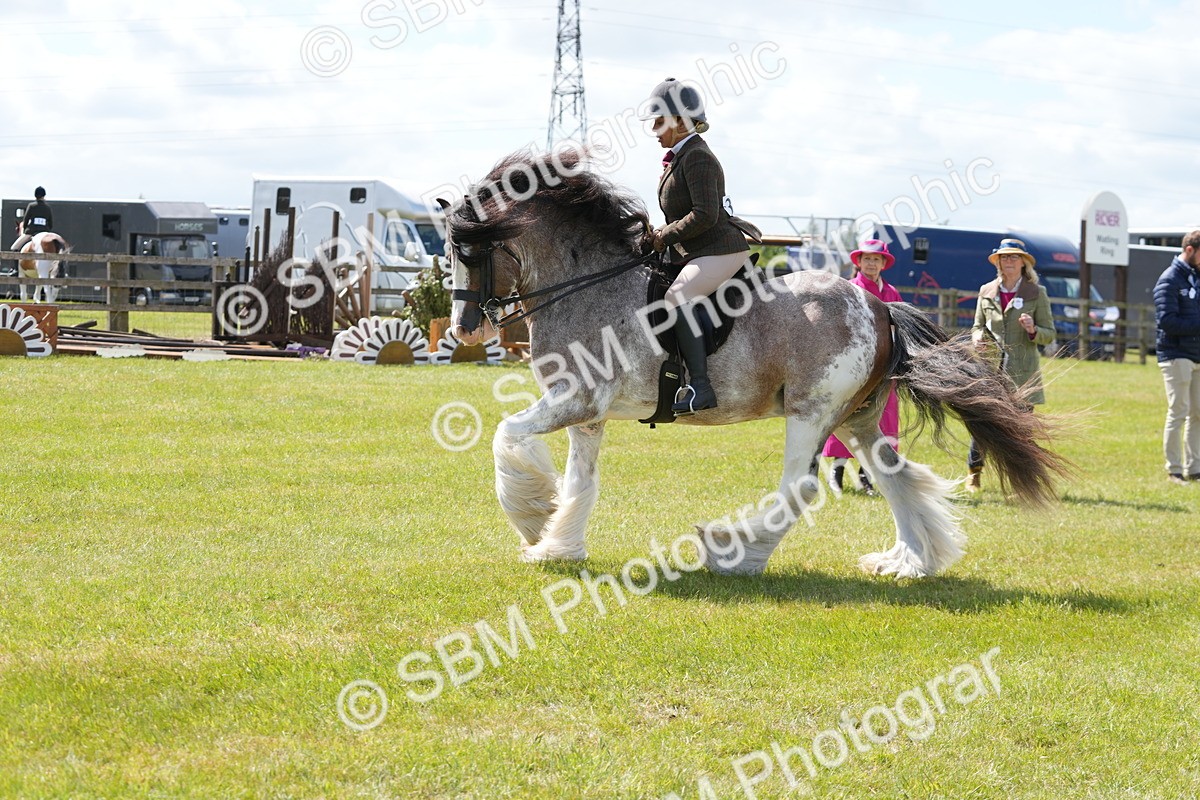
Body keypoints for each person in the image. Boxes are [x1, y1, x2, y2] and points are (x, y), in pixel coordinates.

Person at [639, 77, 760, 416]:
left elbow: (705, 215)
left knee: (677, 296)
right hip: (697, 250)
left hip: (719, 248)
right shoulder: (680, 157)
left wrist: (665, 235)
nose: (655, 129)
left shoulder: (698, 158)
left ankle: (701, 388)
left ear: (680, 121)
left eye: (660, 121)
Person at [967, 237, 1054, 491]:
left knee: (1021, 431)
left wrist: (1033, 329)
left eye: (1014, 257)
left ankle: (1020, 483)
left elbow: (1049, 333)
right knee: (982, 425)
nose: (1009, 261)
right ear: (998, 262)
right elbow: (977, 325)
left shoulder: (1037, 293)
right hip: (990, 370)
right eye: (1004, 257)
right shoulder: (986, 291)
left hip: (1023, 373)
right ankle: (974, 473)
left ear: (1024, 263)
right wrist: (976, 338)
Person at [822, 240, 903, 495]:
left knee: (884, 416)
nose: (871, 263)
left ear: (883, 263)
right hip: (854, 363)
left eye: (876, 259)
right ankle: (837, 470)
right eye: (867, 259)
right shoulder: (849, 289)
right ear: (858, 262)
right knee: (846, 413)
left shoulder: (892, 293)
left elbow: (899, 327)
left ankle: (867, 476)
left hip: (885, 365)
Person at [1152, 229, 1200, 484]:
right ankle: (1174, 470)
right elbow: (1167, 322)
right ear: (1190, 250)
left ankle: (1195, 469)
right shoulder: (1169, 280)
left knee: (1198, 413)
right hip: (1175, 355)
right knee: (1178, 411)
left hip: (1196, 355)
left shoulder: (1196, 277)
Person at [10, 187, 53, 253]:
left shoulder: (31, 206)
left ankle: (16, 263)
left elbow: (26, 220)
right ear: (44, 196)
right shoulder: (48, 208)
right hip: (45, 231)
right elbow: (50, 224)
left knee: (14, 248)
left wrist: (24, 229)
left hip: (32, 231)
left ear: (35, 195)